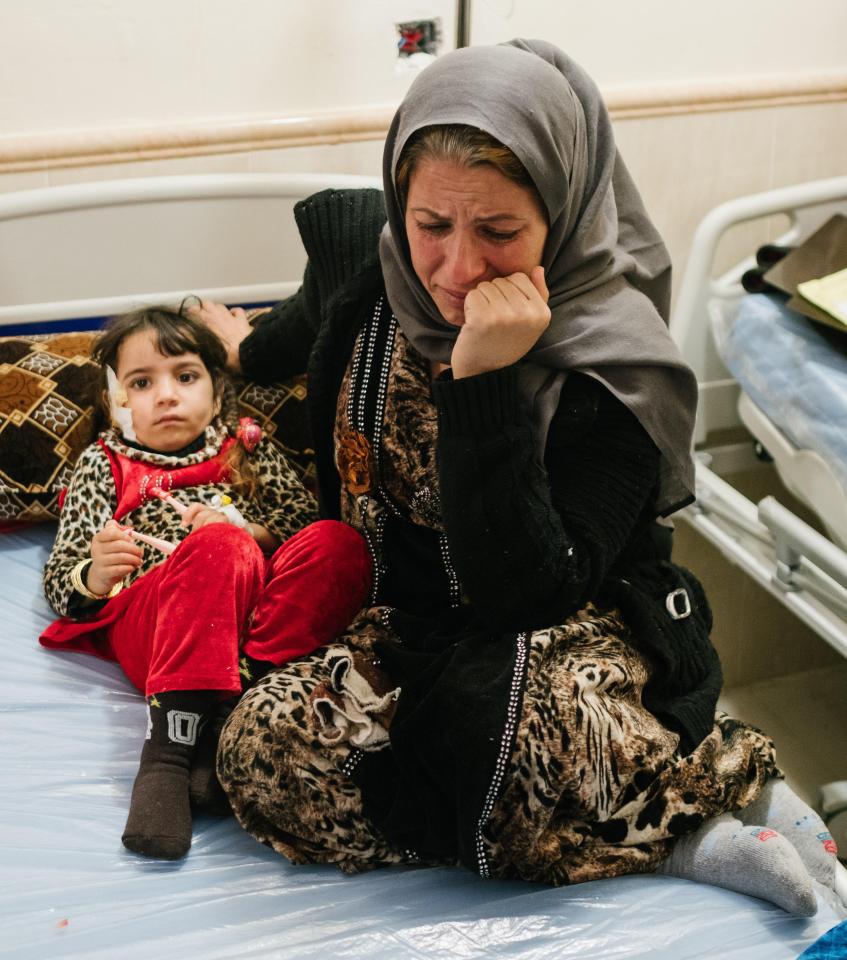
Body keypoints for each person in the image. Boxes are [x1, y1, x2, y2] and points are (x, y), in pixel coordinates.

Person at [196, 41, 839, 912]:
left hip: (562, 638)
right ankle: (638, 823)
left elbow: (526, 591)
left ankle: (706, 806)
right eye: (431, 226)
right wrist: (237, 351)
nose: (458, 271)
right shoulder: (374, 279)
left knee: (499, 723)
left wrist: (484, 385)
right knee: (259, 752)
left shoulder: (615, 370)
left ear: (565, 214)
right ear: (399, 205)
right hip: (405, 627)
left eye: (498, 232)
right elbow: (299, 331)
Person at [40, 305, 372, 861]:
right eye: (142, 383)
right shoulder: (103, 464)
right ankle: (169, 755)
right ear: (114, 402)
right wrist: (97, 571)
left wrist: (248, 530)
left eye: (185, 376)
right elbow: (61, 578)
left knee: (338, 543)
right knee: (218, 548)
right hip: (163, 620)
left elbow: (298, 522)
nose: (166, 395)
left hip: (252, 620)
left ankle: (238, 708)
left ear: (218, 393)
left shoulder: (246, 445)